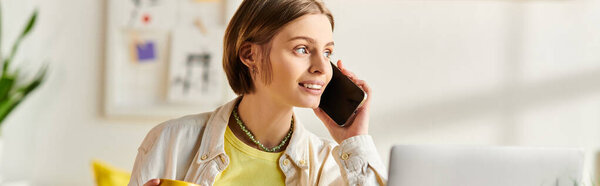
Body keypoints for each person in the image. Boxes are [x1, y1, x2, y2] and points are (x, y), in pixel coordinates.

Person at [128, 0, 388, 185]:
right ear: (250, 55)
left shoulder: (327, 164)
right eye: (302, 49)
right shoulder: (170, 141)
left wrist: (355, 141)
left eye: (328, 52)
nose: (323, 68)